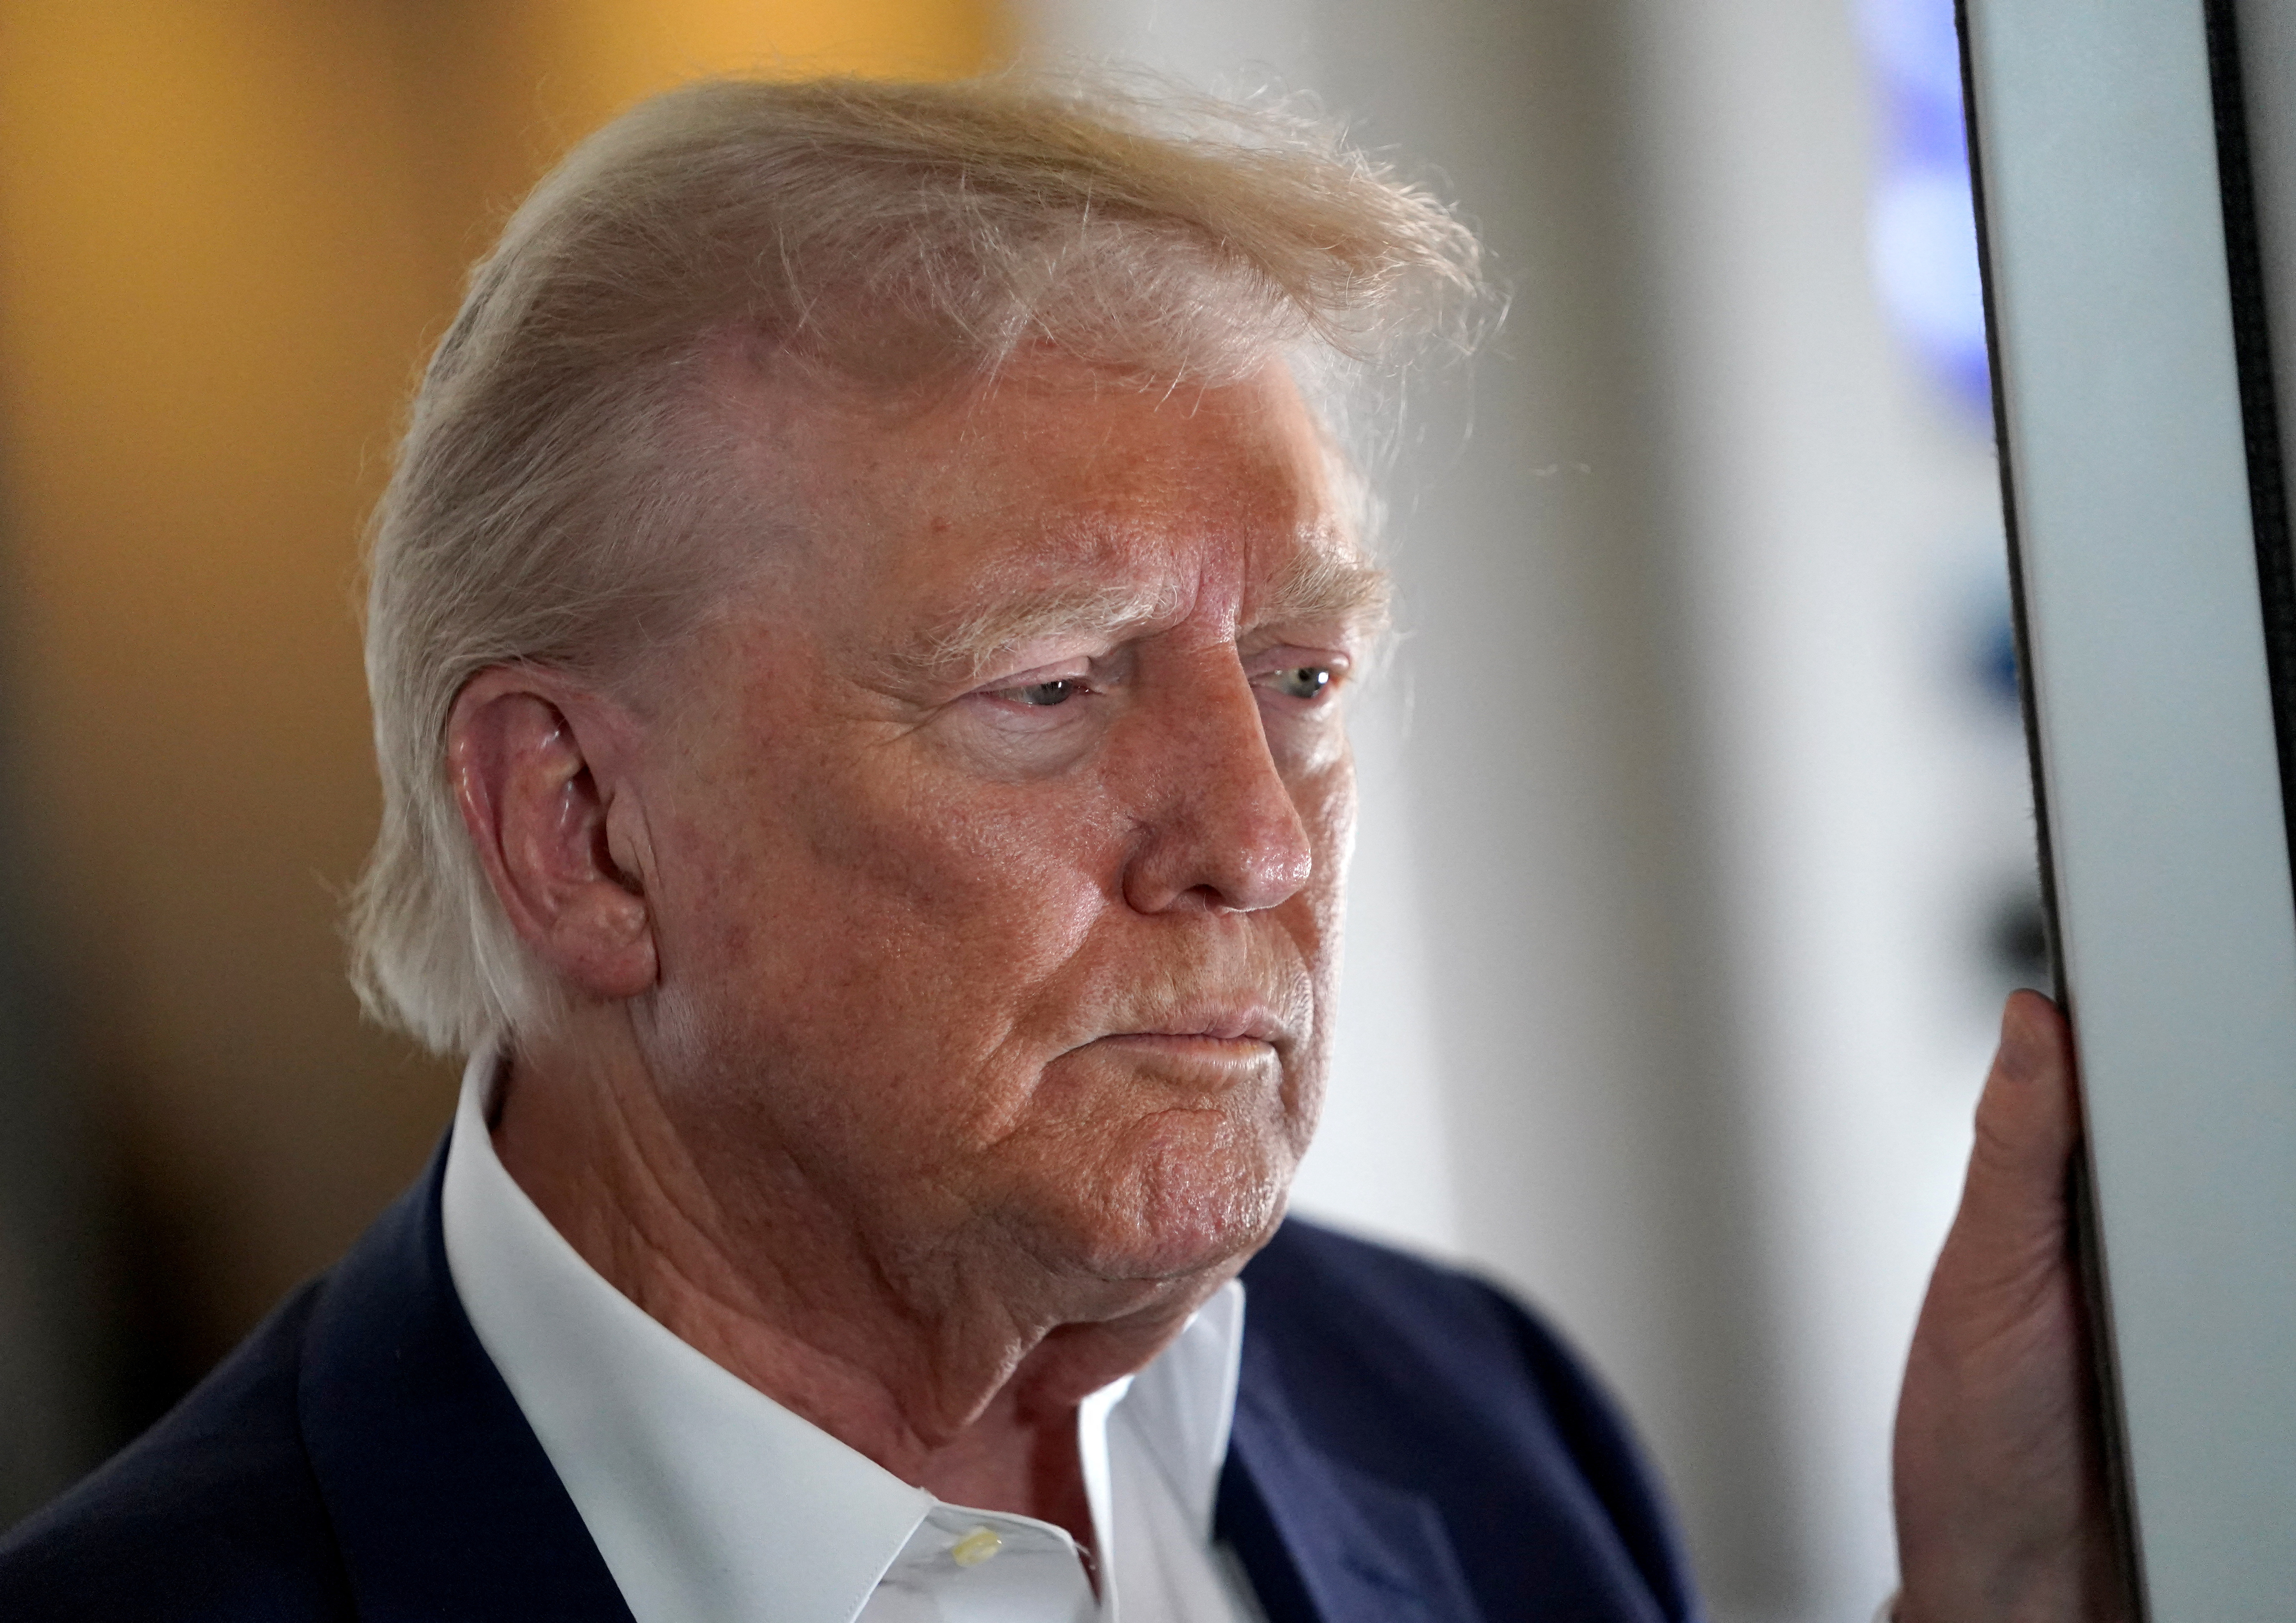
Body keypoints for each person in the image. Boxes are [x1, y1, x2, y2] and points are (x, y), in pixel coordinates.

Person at [0, 73, 2125, 1622]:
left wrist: (1998, 1599)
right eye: (1051, 686)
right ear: (581, 831)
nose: (1255, 841)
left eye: (1299, 677)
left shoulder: (1473, 1413)